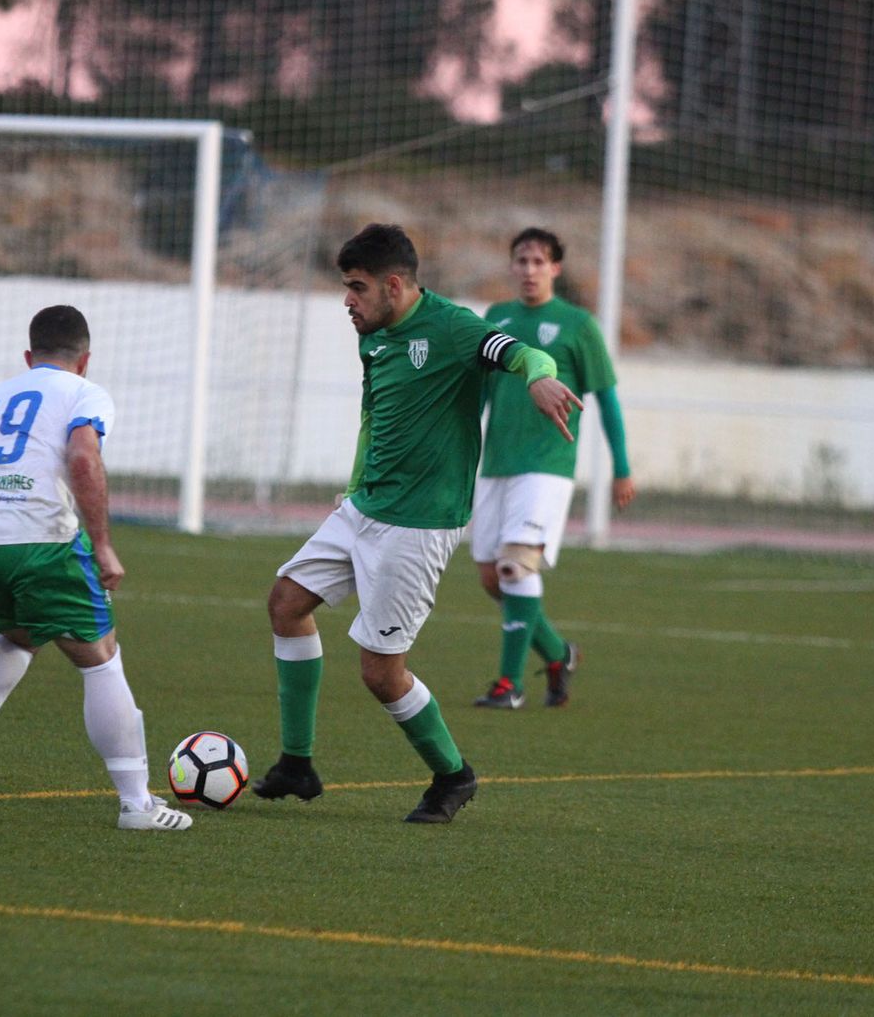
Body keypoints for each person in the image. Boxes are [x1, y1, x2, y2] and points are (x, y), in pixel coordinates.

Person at [253, 223, 582, 824]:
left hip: (419, 526)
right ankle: (297, 764)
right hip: (364, 507)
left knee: (381, 673)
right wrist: (353, 489)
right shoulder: (373, 339)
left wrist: (539, 377)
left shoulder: (453, 329)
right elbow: (372, 419)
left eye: (356, 287)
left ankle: (453, 775)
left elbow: (518, 352)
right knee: (286, 603)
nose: (347, 300)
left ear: (395, 285)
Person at [0, 304, 191, 833]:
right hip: (39, 539)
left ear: (29, 356)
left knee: (17, 635)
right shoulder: (83, 394)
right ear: (85, 359)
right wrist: (103, 544)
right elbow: (83, 458)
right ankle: (137, 805)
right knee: (99, 657)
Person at [470, 228, 633, 710]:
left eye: (539, 261)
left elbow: (606, 398)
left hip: (547, 465)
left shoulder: (578, 324)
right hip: (496, 462)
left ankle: (508, 684)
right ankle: (559, 655)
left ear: (556, 269)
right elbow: (478, 392)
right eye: (521, 260)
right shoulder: (496, 317)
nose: (529, 269)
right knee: (491, 577)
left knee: (514, 565)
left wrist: (621, 468)